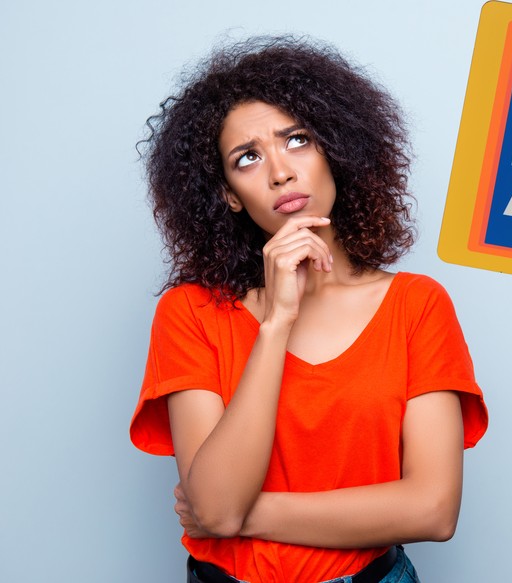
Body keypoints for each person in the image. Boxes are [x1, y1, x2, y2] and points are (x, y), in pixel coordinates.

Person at [130, 36, 488, 583]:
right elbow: (216, 507)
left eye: (297, 140)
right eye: (246, 158)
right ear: (228, 194)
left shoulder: (416, 305)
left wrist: (250, 514)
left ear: (336, 151)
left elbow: (433, 511)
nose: (279, 172)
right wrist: (276, 324)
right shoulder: (191, 314)